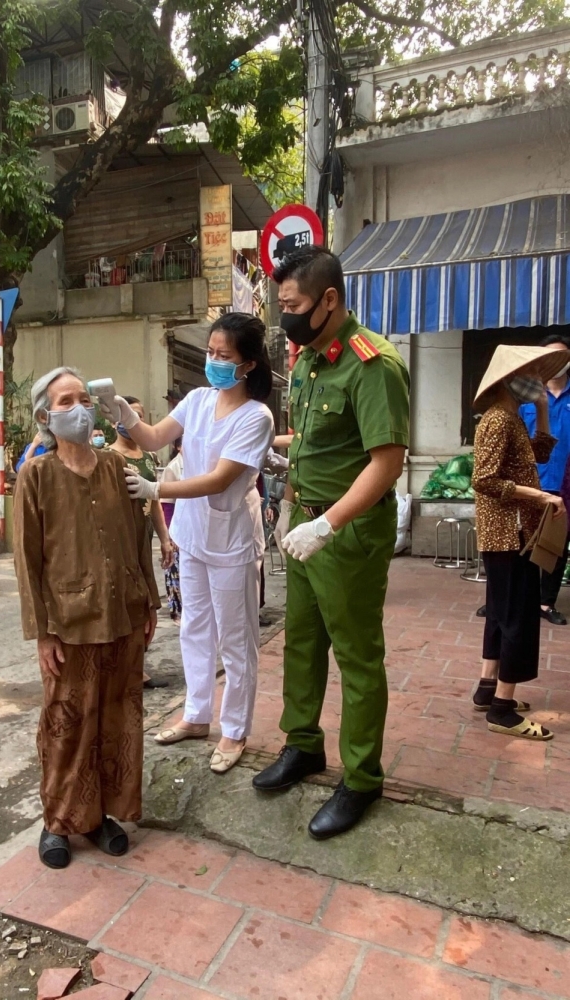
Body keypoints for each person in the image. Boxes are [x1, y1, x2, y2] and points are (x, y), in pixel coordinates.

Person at [252, 245, 410, 840]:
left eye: (292, 305)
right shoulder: (312, 360)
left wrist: (328, 524)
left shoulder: (373, 365)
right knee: (301, 642)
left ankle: (363, 777)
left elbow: (386, 462)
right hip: (305, 528)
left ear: (329, 300)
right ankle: (303, 745)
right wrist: (275, 452)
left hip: (345, 533)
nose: (285, 316)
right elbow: (321, 438)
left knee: (357, 655)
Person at [106, 313, 275, 774]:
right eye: (211, 352)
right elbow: (156, 436)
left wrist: (156, 489)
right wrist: (124, 414)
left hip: (231, 542)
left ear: (249, 365)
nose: (214, 362)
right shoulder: (199, 399)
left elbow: (220, 480)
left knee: (237, 640)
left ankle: (235, 729)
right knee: (193, 628)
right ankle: (198, 715)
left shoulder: (256, 417)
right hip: (194, 537)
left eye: (225, 356)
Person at [13, 366, 160, 869]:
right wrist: (42, 634)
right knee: (66, 723)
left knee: (117, 719)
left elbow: (139, 539)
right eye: (65, 401)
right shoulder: (35, 474)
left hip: (123, 611)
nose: (79, 408)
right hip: (69, 622)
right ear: (44, 416)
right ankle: (57, 823)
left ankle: (100, 817)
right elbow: (27, 559)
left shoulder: (117, 468)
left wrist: (150, 601)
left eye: (82, 398)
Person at [471, 344, 570, 741]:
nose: (536, 381)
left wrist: (543, 409)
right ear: (509, 380)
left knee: (500, 611)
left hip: (511, 532)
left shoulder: (510, 417)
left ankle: (488, 688)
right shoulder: (498, 419)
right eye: (529, 374)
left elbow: (536, 456)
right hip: (509, 532)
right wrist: (542, 496)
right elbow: (485, 479)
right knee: (518, 617)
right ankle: (504, 709)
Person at [110, 395, 174, 690]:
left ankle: (136, 665)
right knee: (126, 604)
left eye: (138, 415)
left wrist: (164, 538)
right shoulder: (110, 458)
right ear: (115, 420)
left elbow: (155, 500)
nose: (132, 421)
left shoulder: (148, 457)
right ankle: (127, 669)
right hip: (120, 543)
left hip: (143, 540)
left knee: (147, 604)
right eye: (126, 415)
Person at [519, 333, 570, 625]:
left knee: (556, 547)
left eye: (562, 356)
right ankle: (517, 599)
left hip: (565, 485)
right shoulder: (527, 396)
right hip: (531, 484)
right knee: (521, 545)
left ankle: (546, 603)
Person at [161, 443, 184, 625]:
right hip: (176, 526)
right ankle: (176, 611)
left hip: (192, 528)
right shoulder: (173, 468)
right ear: (178, 447)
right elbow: (166, 504)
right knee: (174, 572)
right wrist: (170, 534)